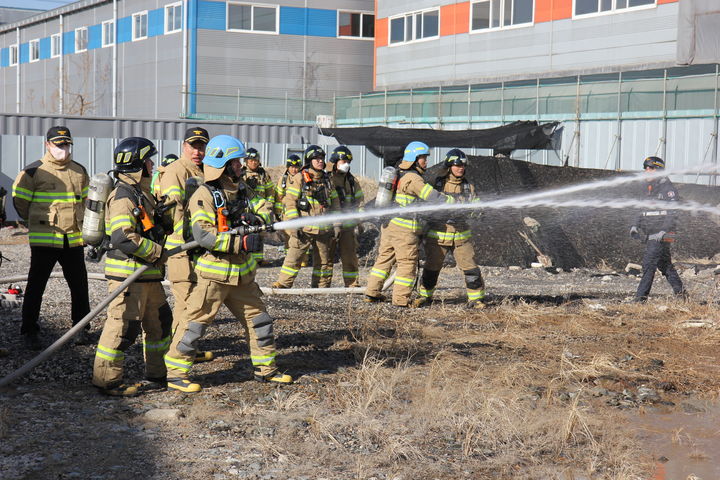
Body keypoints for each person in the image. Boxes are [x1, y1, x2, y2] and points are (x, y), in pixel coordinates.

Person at [164, 135, 291, 393]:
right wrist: (240, 244)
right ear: (223, 163)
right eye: (236, 162)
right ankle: (176, 373)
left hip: (242, 276)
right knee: (194, 325)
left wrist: (256, 216)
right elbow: (204, 235)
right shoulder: (204, 194)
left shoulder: (242, 189)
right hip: (214, 275)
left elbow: (265, 207)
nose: (241, 166)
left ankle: (266, 370)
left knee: (260, 322)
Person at [92, 137, 171, 397]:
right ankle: (107, 381)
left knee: (160, 322)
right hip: (128, 276)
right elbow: (123, 238)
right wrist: (158, 253)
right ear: (138, 165)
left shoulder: (140, 192)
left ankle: (159, 373)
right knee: (122, 329)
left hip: (147, 276)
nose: (152, 165)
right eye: (148, 160)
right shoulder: (123, 195)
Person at [12, 126, 91, 350]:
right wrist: (35, 222)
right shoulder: (33, 172)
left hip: (72, 240)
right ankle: (29, 330)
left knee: (79, 285)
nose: (63, 149)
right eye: (58, 145)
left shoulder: (79, 171)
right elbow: (20, 202)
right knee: (36, 285)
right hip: (45, 239)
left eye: (66, 144)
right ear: (47, 145)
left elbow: (86, 204)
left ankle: (81, 328)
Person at [364, 141, 454, 307]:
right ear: (414, 158)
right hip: (404, 229)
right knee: (407, 262)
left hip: (389, 225)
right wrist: (450, 200)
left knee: (384, 260)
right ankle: (401, 299)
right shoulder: (413, 178)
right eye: (423, 158)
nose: (425, 162)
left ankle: (372, 293)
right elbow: (431, 196)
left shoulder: (399, 172)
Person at [158, 127, 214, 363]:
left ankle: (188, 345)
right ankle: (178, 351)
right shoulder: (175, 171)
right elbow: (172, 211)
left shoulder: (207, 171)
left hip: (199, 247)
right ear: (184, 147)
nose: (198, 151)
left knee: (196, 300)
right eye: (193, 146)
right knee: (185, 300)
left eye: (202, 146)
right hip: (181, 247)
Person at [414, 149, 485, 308]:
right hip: (438, 235)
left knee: (470, 267)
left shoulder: (469, 187)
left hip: (461, 235)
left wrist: (476, 212)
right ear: (449, 166)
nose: (461, 168)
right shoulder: (436, 184)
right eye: (457, 165)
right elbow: (426, 204)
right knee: (432, 268)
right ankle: (424, 296)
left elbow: (477, 206)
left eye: (463, 165)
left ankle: (476, 299)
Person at [272, 145, 339, 289]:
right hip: (304, 228)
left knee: (324, 261)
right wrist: (294, 223)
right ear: (309, 161)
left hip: (324, 229)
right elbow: (290, 201)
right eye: (317, 159)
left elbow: (335, 204)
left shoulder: (328, 180)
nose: (321, 161)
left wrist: (337, 223)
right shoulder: (300, 178)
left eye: (322, 159)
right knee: (293, 257)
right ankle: (283, 284)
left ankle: (321, 288)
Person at [630, 156, 686, 302]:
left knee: (649, 264)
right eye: (645, 168)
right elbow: (641, 209)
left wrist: (664, 231)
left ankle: (640, 299)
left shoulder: (668, 189)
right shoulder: (648, 189)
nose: (647, 171)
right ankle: (682, 295)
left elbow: (673, 212)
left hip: (663, 234)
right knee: (665, 265)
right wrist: (635, 225)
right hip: (651, 233)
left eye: (650, 168)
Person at [327, 146, 364, 287]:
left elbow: (360, 200)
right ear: (335, 161)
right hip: (329, 226)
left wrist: (360, 220)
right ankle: (322, 286)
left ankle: (352, 284)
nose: (346, 164)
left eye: (348, 162)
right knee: (326, 259)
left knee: (350, 257)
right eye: (343, 161)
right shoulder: (327, 177)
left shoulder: (351, 180)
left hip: (347, 226)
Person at [241, 148, 276, 265]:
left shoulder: (264, 175)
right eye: (251, 160)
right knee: (248, 233)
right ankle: (248, 259)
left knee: (260, 232)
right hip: (248, 209)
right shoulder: (241, 173)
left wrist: (269, 205)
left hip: (261, 208)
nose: (253, 162)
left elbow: (270, 191)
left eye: (255, 160)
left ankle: (258, 259)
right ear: (246, 161)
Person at [274, 154, 302, 255]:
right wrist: (277, 212)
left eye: (296, 167)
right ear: (288, 167)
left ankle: (303, 258)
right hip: (286, 212)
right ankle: (288, 255)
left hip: (300, 211)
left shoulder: (303, 178)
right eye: (292, 167)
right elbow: (278, 196)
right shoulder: (283, 180)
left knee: (300, 235)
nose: (294, 170)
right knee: (287, 235)